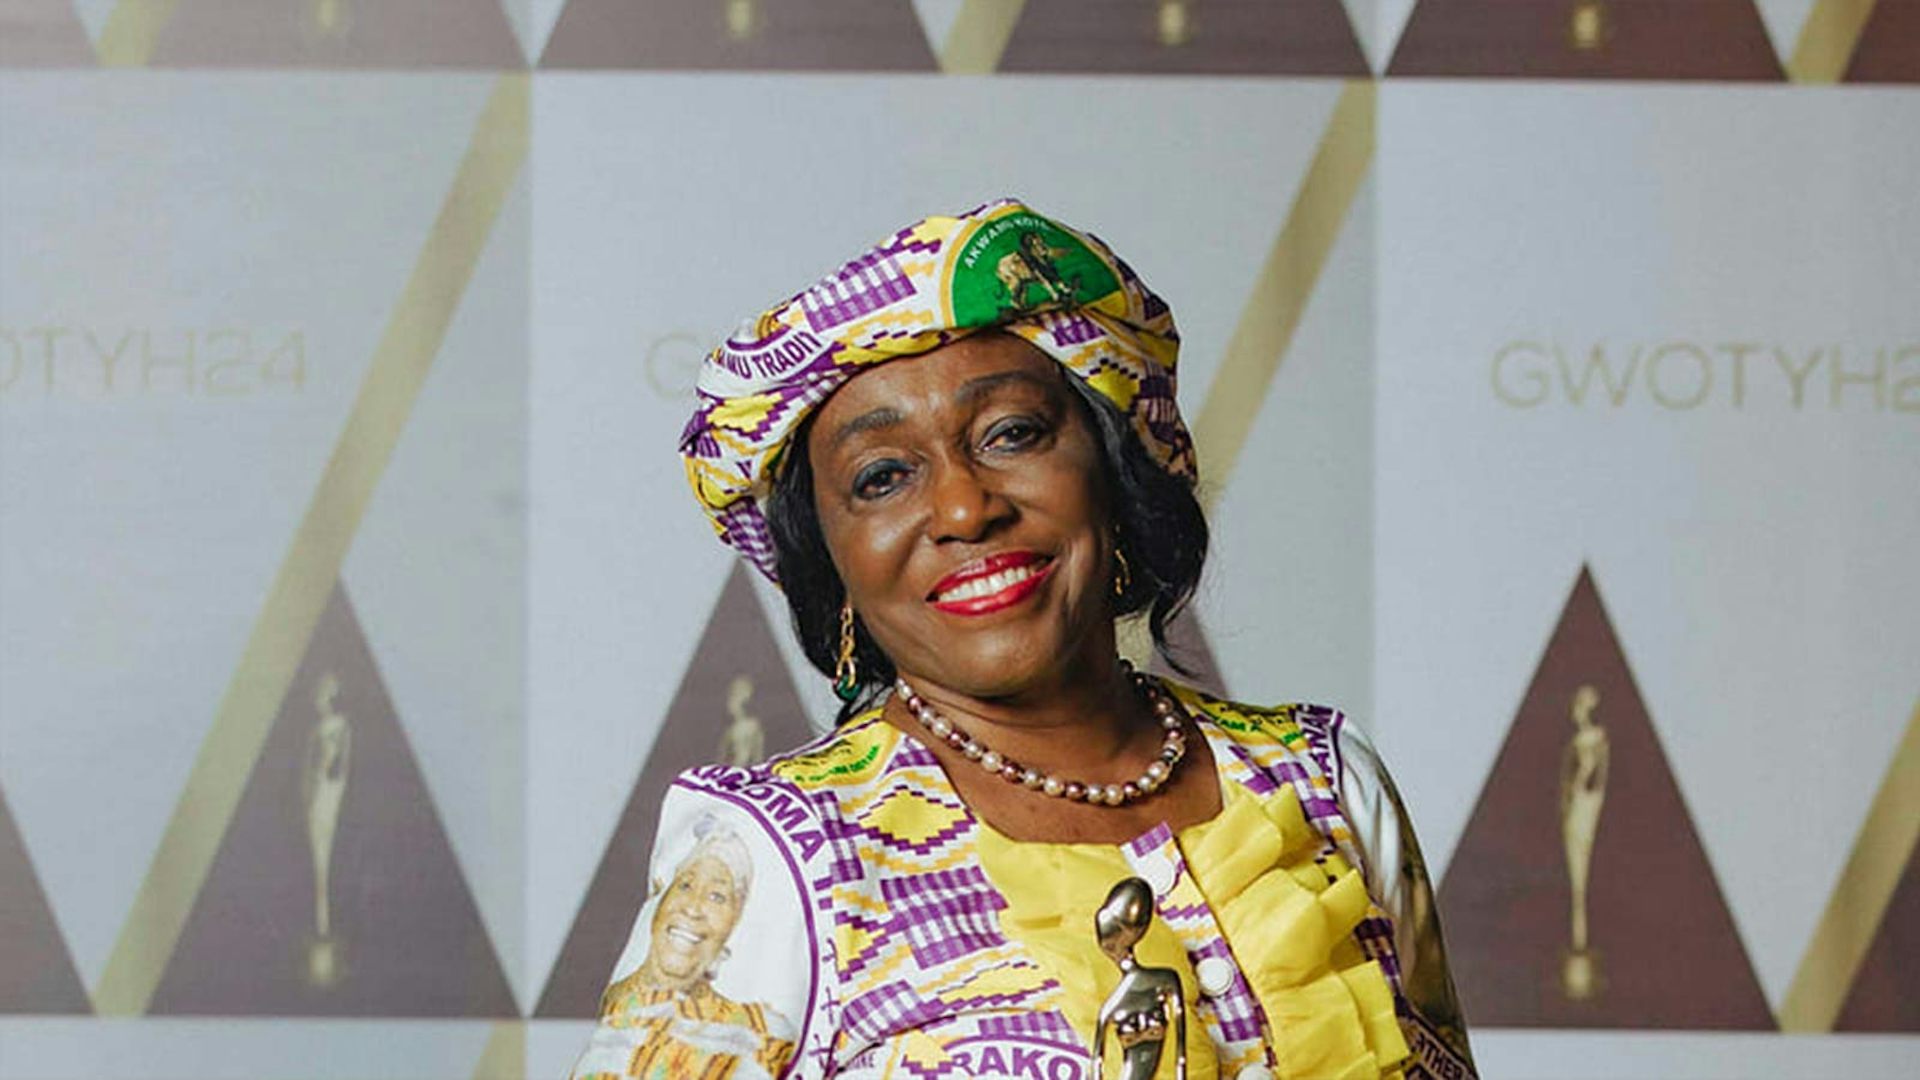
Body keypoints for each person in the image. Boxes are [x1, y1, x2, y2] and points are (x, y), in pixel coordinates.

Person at [574, 199, 1475, 1079]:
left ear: (1112, 475)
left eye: (1011, 434)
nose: (965, 508)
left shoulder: (1321, 779)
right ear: (832, 568)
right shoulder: (784, 854)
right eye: (882, 477)